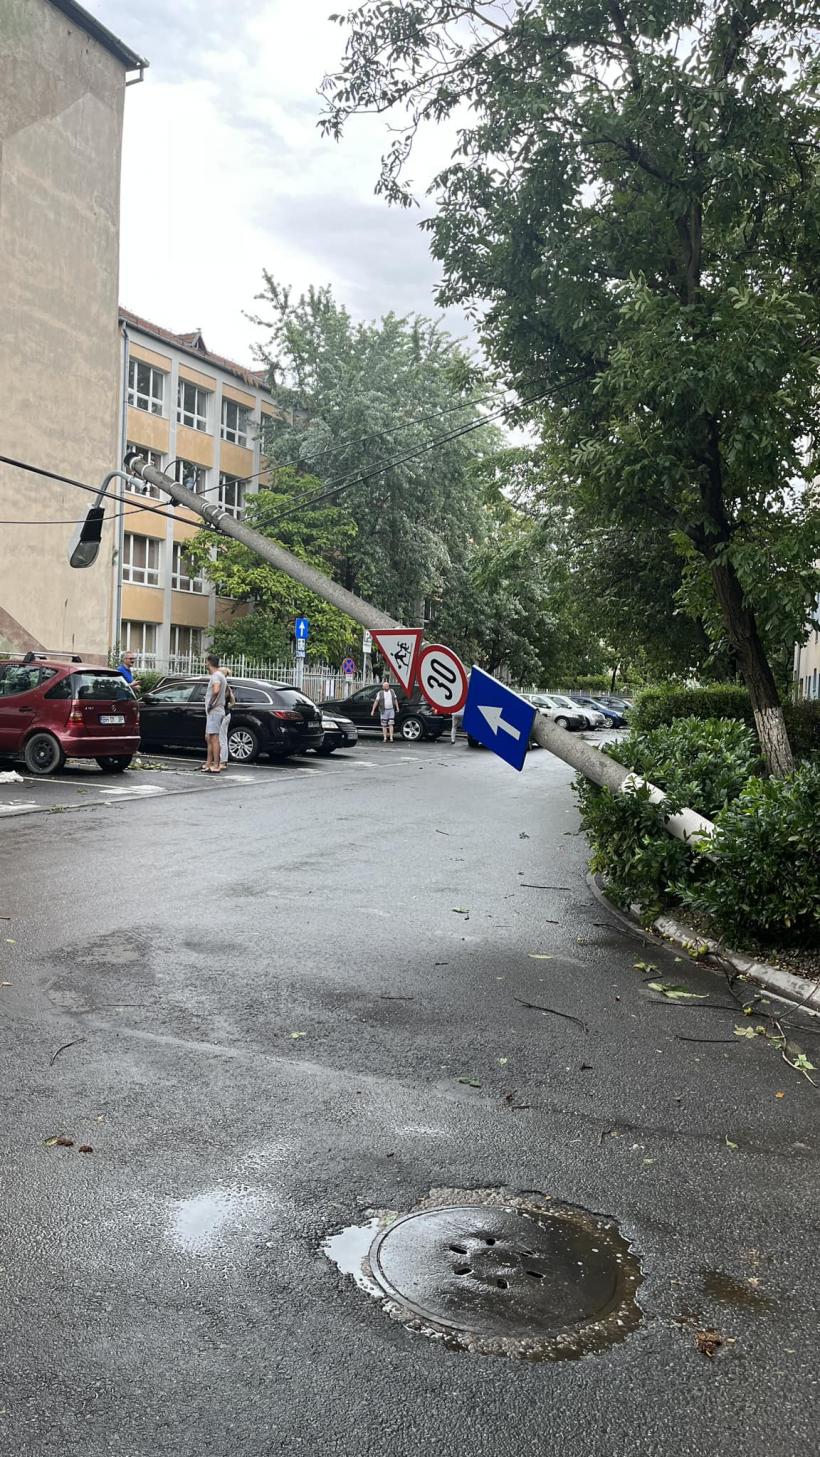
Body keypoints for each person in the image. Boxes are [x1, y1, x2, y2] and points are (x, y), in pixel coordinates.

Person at [203, 653, 227, 773]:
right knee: (212, 737)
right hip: (219, 710)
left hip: (215, 710)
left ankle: (216, 765)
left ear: (209, 662)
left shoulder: (215, 676)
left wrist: (211, 703)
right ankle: (210, 763)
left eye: (206, 662)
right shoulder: (221, 675)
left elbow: (216, 690)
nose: (205, 665)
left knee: (214, 738)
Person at [371, 678, 398, 743]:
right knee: (384, 725)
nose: (386, 687)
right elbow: (376, 702)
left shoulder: (392, 691)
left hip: (391, 709)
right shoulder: (380, 693)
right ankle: (385, 738)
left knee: (391, 724)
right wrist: (373, 710)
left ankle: (391, 738)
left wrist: (397, 707)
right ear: (383, 687)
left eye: (387, 686)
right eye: (385, 686)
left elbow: (395, 700)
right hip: (383, 710)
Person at [219, 671, 234, 768]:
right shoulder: (227, 687)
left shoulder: (222, 687)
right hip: (227, 713)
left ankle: (223, 761)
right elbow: (233, 701)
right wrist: (228, 706)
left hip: (222, 715)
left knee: (222, 738)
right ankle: (222, 760)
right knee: (223, 737)